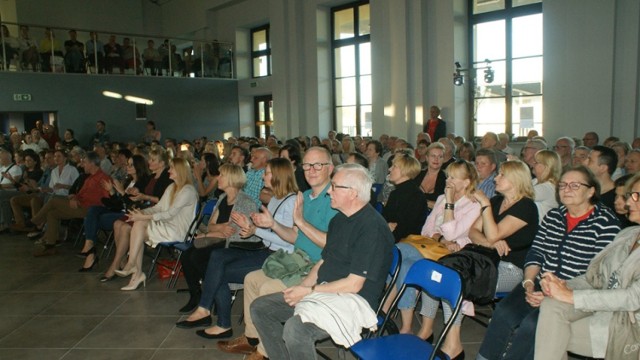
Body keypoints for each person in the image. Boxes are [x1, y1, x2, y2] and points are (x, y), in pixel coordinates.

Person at [250, 164, 395, 360]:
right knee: (261, 308)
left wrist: (309, 292)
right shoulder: (339, 220)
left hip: (353, 300)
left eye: (334, 186)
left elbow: (354, 284)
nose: (329, 191)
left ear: (352, 193)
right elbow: (323, 263)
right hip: (325, 291)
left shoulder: (372, 228)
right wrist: (300, 288)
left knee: (296, 329)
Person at [476, 166, 621, 360]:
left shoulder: (605, 223)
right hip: (540, 281)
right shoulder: (554, 216)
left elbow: (598, 273)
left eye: (574, 185)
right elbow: (536, 252)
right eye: (562, 185)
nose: (566, 189)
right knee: (503, 313)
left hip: (575, 290)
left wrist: (557, 293)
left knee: (532, 326)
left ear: (591, 191)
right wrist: (528, 282)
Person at [217, 147, 337, 359]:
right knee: (251, 279)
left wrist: (299, 223)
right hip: (297, 260)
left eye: (318, 165)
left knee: (266, 287)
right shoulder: (306, 196)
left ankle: (264, 352)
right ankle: (251, 338)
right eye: (308, 165)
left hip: (318, 268)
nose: (312, 170)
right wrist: (272, 224)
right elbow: (293, 237)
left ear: (330, 168)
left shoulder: (334, 199)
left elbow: (332, 245)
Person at [178, 158, 298, 340]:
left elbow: (288, 241)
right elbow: (267, 232)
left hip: (279, 257)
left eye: (266, 173)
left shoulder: (291, 202)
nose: (263, 177)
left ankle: (221, 323)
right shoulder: (275, 199)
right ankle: (206, 310)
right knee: (217, 256)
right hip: (265, 249)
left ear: (278, 176)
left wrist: (256, 230)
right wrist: (252, 228)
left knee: (217, 271)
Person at [534, 173, 640, 360]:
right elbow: (596, 276)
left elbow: (633, 298)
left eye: (636, 196)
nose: (628, 202)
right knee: (552, 307)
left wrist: (571, 295)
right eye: (630, 195)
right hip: (608, 307)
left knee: (552, 333)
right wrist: (562, 285)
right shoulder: (628, 235)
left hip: (630, 321)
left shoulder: (608, 223)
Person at [386, 160, 480, 359]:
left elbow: (453, 232)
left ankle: (410, 325)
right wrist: (438, 237)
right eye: (448, 176)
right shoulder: (439, 199)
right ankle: (412, 325)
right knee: (401, 253)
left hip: (455, 255)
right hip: (432, 247)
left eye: (454, 177)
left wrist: (449, 202)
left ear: (466, 182)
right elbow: (426, 230)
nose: (448, 180)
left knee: (416, 267)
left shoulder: (474, 205)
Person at [178, 163, 259, 312]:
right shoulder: (222, 198)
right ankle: (196, 294)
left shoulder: (245, 202)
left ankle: (215, 293)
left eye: (221, 175)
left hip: (234, 244)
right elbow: (211, 225)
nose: (217, 178)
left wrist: (209, 233)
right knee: (186, 255)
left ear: (231, 179)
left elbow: (232, 234)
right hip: (219, 240)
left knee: (197, 256)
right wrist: (218, 229)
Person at [115, 158, 198, 291]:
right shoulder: (172, 187)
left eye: (171, 168)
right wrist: (141, 212)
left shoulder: (188, 191)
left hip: (178, 231)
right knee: (139, 225)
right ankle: (134, 271)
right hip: (167, 226)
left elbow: (169, 214)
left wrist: (143, 216)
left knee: (139, 224)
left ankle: (134, 269)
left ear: (180, 171)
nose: (169, 170)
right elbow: (159, 208)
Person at [469, 160, 539, 295]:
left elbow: (494, 235)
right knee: (447, 277)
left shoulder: (526, 206)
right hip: (487, 260)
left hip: (512, 269)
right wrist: (490, 244)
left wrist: (484, 203)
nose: (495, 178)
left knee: (461, 283)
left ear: (516, 180)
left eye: (502, 175)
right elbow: (472, 231)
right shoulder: (496, 201)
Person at [78, 155, 150, 273]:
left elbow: (132, 205)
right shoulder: (128, 181)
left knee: (91, 220)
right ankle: (89, 245)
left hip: (131, 214)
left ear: (138, 167)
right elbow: (117, 204)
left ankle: (91, 252)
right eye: (127, 164)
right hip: (120, 211)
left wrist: (121, 192)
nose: (127, 167)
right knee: (92, 210)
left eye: (131, 165)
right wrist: (112, 191)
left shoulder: (143, 182)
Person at [30, 152, 110, 257]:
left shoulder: (103, 178)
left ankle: (35, 221)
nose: (82, 165)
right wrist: (74, 198)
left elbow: (105, 199)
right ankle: (50, 246)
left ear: (92, 163)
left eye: (84, 162)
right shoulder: (90, 178)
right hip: (80, 205)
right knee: (52, 214)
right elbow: (79, 193)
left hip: (89, 209)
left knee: (53, 200)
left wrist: (79, 200)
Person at [382, 153, 428, 241]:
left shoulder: (416, 196)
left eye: (394, 166)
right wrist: (388, 225)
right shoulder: (395, 193)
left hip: (406, 241)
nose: (389, 169)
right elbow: (384, 219)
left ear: (405, 171)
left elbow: (407, 228)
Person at [531, 150, 561, 221]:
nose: (533, 163)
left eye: (536, 162)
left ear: (546, 166)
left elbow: (520, 194)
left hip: (542, 229)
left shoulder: (548, 187)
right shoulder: (535, 181)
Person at [585, 145, 618, 210]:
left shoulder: (616, 196)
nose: (584, 163)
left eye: (589, 160)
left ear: (603, 168)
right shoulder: (586, 190)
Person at [416, 142, 447, 209]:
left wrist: (420, 201)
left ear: (443, 160)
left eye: (440, 156)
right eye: (433, 156)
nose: (436, 159)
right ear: (427, 158)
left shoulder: (446, 179)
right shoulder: (418, 175)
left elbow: (444, 205)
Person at [0, 148, 23, 231]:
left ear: (6, 159)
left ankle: (3, 223)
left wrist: (1, 186)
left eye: (0, 158)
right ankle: (5, 223)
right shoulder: (1, 168)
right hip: (3, 191)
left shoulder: (16, 168)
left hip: (13, 192)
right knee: (4, 201)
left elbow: (14, 185)